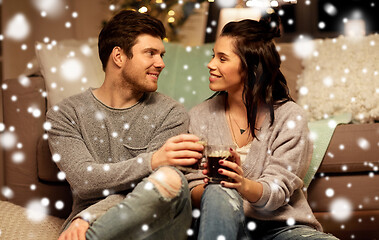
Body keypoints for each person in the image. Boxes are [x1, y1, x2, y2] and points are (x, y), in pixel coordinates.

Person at [47, 10, 204, 240]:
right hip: (90, 226)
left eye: (161, 54)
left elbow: (152, 192)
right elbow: (84, 180)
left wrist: (90, 216)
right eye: (150, 53)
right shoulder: (65, 115)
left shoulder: (172, 114)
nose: (160, 63)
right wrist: (152, 160)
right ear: (118, 56)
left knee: (168, 179)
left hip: (152, 224)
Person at [186, 13, 339, 239]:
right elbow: (191, 186)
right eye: (213, 56)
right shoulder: (200, 116)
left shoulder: (289, 117)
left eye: (222, 58)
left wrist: (242, 184)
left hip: (281, 227)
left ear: (250, 66)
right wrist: (217, 190)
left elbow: (278, 191)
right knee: (218, 190)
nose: (210, 64)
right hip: (221, 224)